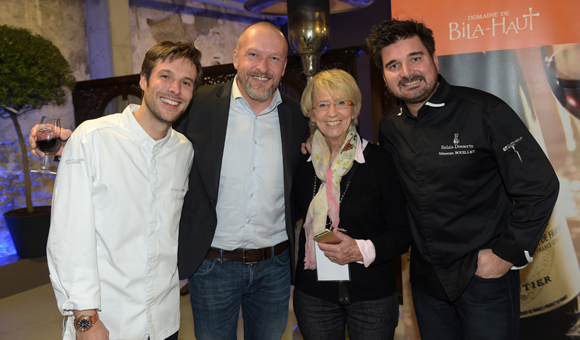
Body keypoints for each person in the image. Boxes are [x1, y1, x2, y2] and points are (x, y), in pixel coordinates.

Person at [364, 19, 560, 340]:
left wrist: (507, 254)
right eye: (393, 65)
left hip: (483, 280)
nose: (407, 72)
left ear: (434, 60)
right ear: (384, 77)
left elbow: (539, 185)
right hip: (427, 284)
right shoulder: (390, 128)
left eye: (415, 58)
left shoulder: (483, 110)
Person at [38, 41, 202, 340]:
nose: (175, 89)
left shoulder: (184, 151)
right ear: (143, 80)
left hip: (165, 321)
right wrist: (85, 319)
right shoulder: (92, 138)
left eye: (186, 82)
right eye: (165, 76)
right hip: (109, 323)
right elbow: (69, 236)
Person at [176, 22, 308, 339]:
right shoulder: (196, 105)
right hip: (211, 267)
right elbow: (147, 139)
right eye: (253, 55)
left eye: (274, 58)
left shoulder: (297, 116)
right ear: (236, 58)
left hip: (274, 268)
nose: (263, 68)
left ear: (285, 65)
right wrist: (70, 144)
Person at [291, 69, 411, 340]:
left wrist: (361, 249)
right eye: (322, 104)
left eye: (341, 102)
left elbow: (403, 234)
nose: (332, 112)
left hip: (372, 300)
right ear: (311, 114)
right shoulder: (303, 163)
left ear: (354, 110)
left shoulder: (380, 161)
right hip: (313, 298)